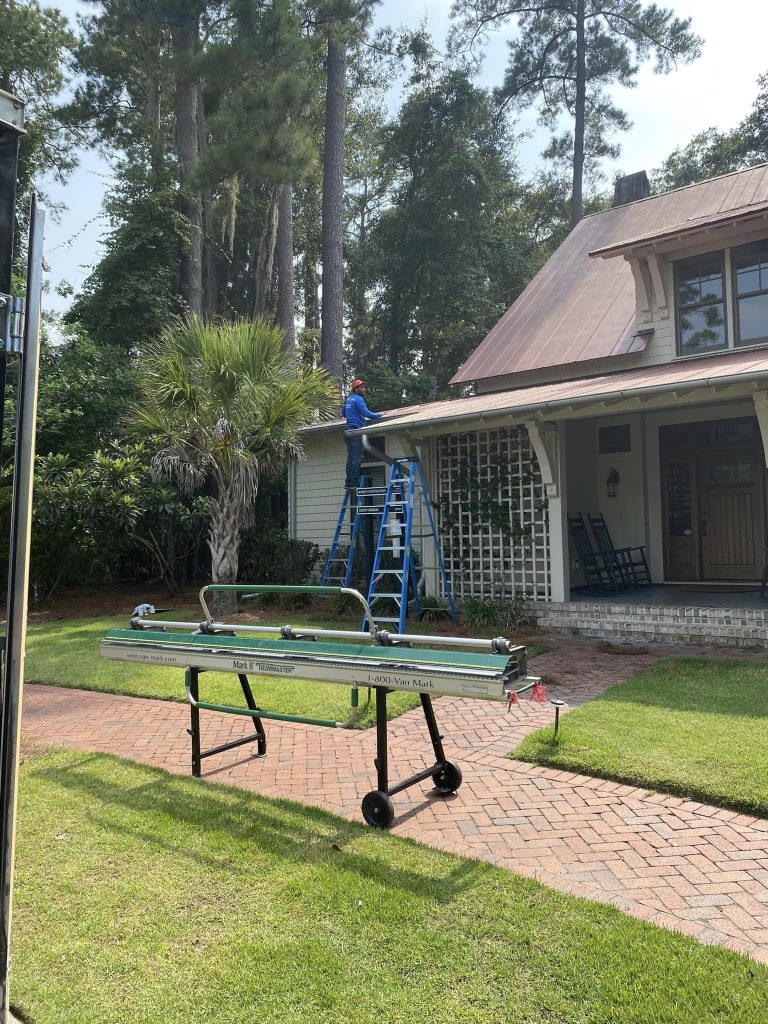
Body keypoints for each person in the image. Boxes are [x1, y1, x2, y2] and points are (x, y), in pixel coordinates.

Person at [343, 378, 383, 490]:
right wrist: (379, 414)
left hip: (347, 431)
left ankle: (348, 482)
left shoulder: (348, 400)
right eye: (361, 387)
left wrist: (353, 415)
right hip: (356, 430)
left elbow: (344, 413)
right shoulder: (358, 399)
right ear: (355, 389)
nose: (363, 389)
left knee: (351, 458)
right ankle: (354, 482)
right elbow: (367, 413)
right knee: (358, 457)